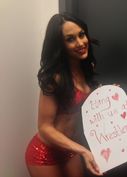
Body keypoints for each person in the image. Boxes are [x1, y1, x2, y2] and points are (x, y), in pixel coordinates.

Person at [25, 13, 102, 177]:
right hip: (44, 152)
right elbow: (45, 128)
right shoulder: (55, 78)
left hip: (69, 149)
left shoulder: (88, 67)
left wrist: (121, 101)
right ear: (60, 45)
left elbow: (91, 106)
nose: (81, 43)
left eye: (81, 35)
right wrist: (83, 150)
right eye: (70, 39)